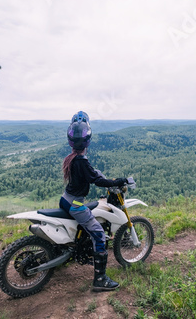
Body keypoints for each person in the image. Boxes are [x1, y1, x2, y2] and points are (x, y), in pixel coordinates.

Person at [60, 111, 126, 291]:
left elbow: (90, 172)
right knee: (98, 234)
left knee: (87, 219)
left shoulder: (72, 158)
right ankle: (100, 279)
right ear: (88, 139)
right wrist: (116, 181)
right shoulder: (81, 161)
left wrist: (96, 173)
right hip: (76, 205)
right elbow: (98, 181)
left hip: (65, 201)